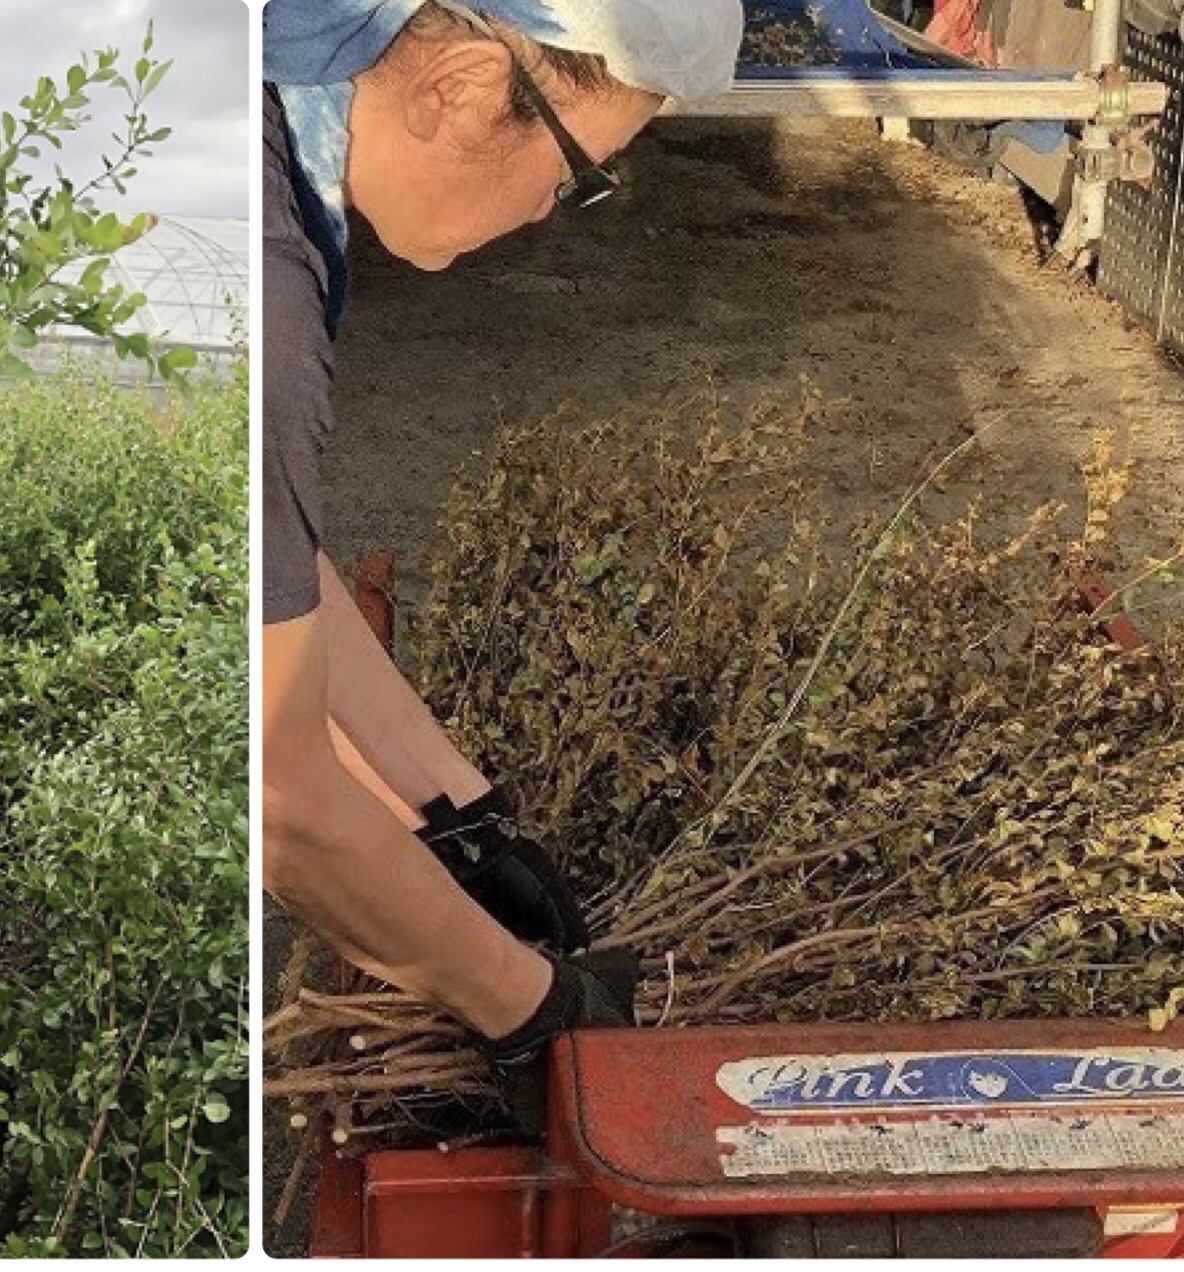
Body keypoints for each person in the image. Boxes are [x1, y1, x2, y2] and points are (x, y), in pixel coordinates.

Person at [261, 0, 742, 1131]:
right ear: (463, 85)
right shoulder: (270, 281)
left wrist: (458, 816)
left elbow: (277, 572)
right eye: (578, 172)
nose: (553, 212)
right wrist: (530, 1008)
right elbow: (278, 799)